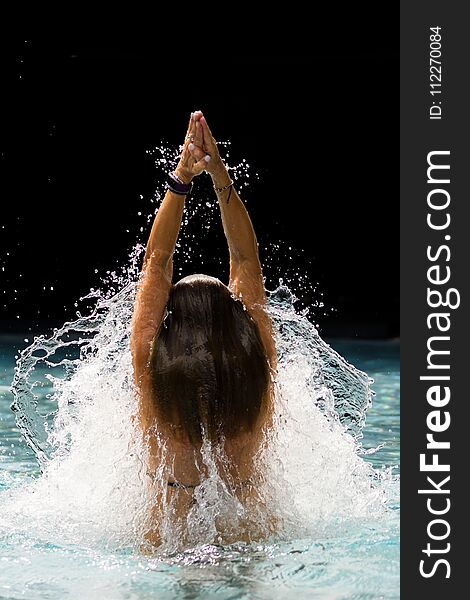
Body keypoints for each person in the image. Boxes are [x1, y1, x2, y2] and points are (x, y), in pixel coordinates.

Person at [130, 111, 277, 547]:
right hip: (247, 537)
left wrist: (182, 177)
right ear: (236, 324)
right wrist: (219, 176)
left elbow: (156, 261)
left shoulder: (150, 369)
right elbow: (246, 260)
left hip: (167, 540)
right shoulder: (259, 366)